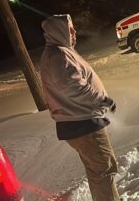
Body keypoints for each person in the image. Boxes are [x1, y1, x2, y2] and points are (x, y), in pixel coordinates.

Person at [39, 14, 120, 201]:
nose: (74, 33)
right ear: (59, 31)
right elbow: (72, 87)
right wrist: (103, 100)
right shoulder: (58, 55)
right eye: (70, 29)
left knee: (100, 171)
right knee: (103, 170)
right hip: (83, 123)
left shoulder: (60, 52)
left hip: (82, 121)